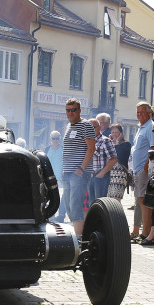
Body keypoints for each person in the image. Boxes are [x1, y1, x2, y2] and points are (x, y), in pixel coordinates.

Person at [61, 99, 95, 235]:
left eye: (73, 110)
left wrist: (81, 169)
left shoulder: (86, 125)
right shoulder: (69, 126)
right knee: (69, 207)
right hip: (67, 172)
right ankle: (81, 234)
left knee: (75, 207)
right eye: (68, 110)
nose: (70, 113)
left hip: (78, 173)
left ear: (79, 110)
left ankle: (80, 240)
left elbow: (91, 148)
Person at [130, 102, 154, 241]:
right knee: (141, 201)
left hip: (143, 169)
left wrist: (146, 167)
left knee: (145, 201)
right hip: (138, 168)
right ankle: (145, 231)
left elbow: (153, 147)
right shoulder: (141, 127)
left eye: (142, 112)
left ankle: (146, 232)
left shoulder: (150, 126)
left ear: (149, 112)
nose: (139, 114)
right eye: (138, 112)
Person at [87, 118, 117, 203]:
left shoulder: (105, 140)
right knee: (91, 205)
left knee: (100, 204)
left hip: (101, 177)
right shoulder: (88, 141)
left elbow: (113, 159)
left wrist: (101, 173)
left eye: (93, 127)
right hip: (90, 176)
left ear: (99, 127)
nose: (90, 129)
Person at [45, 130, 66, 222]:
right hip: (49, 176)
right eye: (53, 138)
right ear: (51, 139)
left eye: (57, 138)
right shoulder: (47, 149)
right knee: (49, 195)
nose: (55, 140)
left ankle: (61, 214)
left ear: (59, 139)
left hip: (60, 177)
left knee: (61, 195)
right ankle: (50, 214)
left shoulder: (63, 149)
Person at [106, 123, 131, 202]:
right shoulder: (109, 144)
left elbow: (119, 156)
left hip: (120, 174)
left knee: (116, 199)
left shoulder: (126, 144)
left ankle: (117, 214)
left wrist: (116, 142)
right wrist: (110, 142)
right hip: (109, 174)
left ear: (121, 133)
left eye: (116, 132)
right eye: (113, 132)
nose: (114, 134)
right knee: (109, 199)